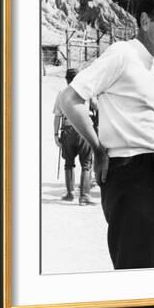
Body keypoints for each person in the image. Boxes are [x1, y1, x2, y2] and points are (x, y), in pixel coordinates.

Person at [58, 0, 154, 269]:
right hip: (131, 170)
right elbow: (70, 99)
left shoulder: (150, 62)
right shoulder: (123, 53)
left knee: (145, 263)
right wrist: (99, 150)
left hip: (153, 167)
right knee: (133, 266)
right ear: (145, 21)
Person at [52, 68, 97, 205]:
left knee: (68, 164)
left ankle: (70, 194)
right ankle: (84, 196)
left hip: (67, 130)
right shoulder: (87, 91)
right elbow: (96, 106)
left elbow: (57, 116)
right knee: (86, 164)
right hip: (83, 129)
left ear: (66, 80)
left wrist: (55, 135)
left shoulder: (61, 94)